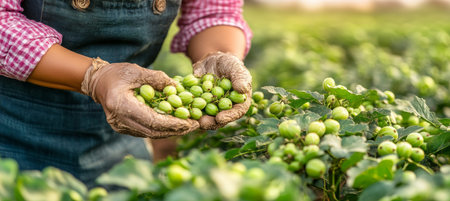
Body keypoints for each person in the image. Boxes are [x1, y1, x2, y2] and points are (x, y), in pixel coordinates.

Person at [0, 0, 252, 188]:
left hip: (122, 147)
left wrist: (219, 55)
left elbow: (214, 10)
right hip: (12, 135)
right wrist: (94, 77)